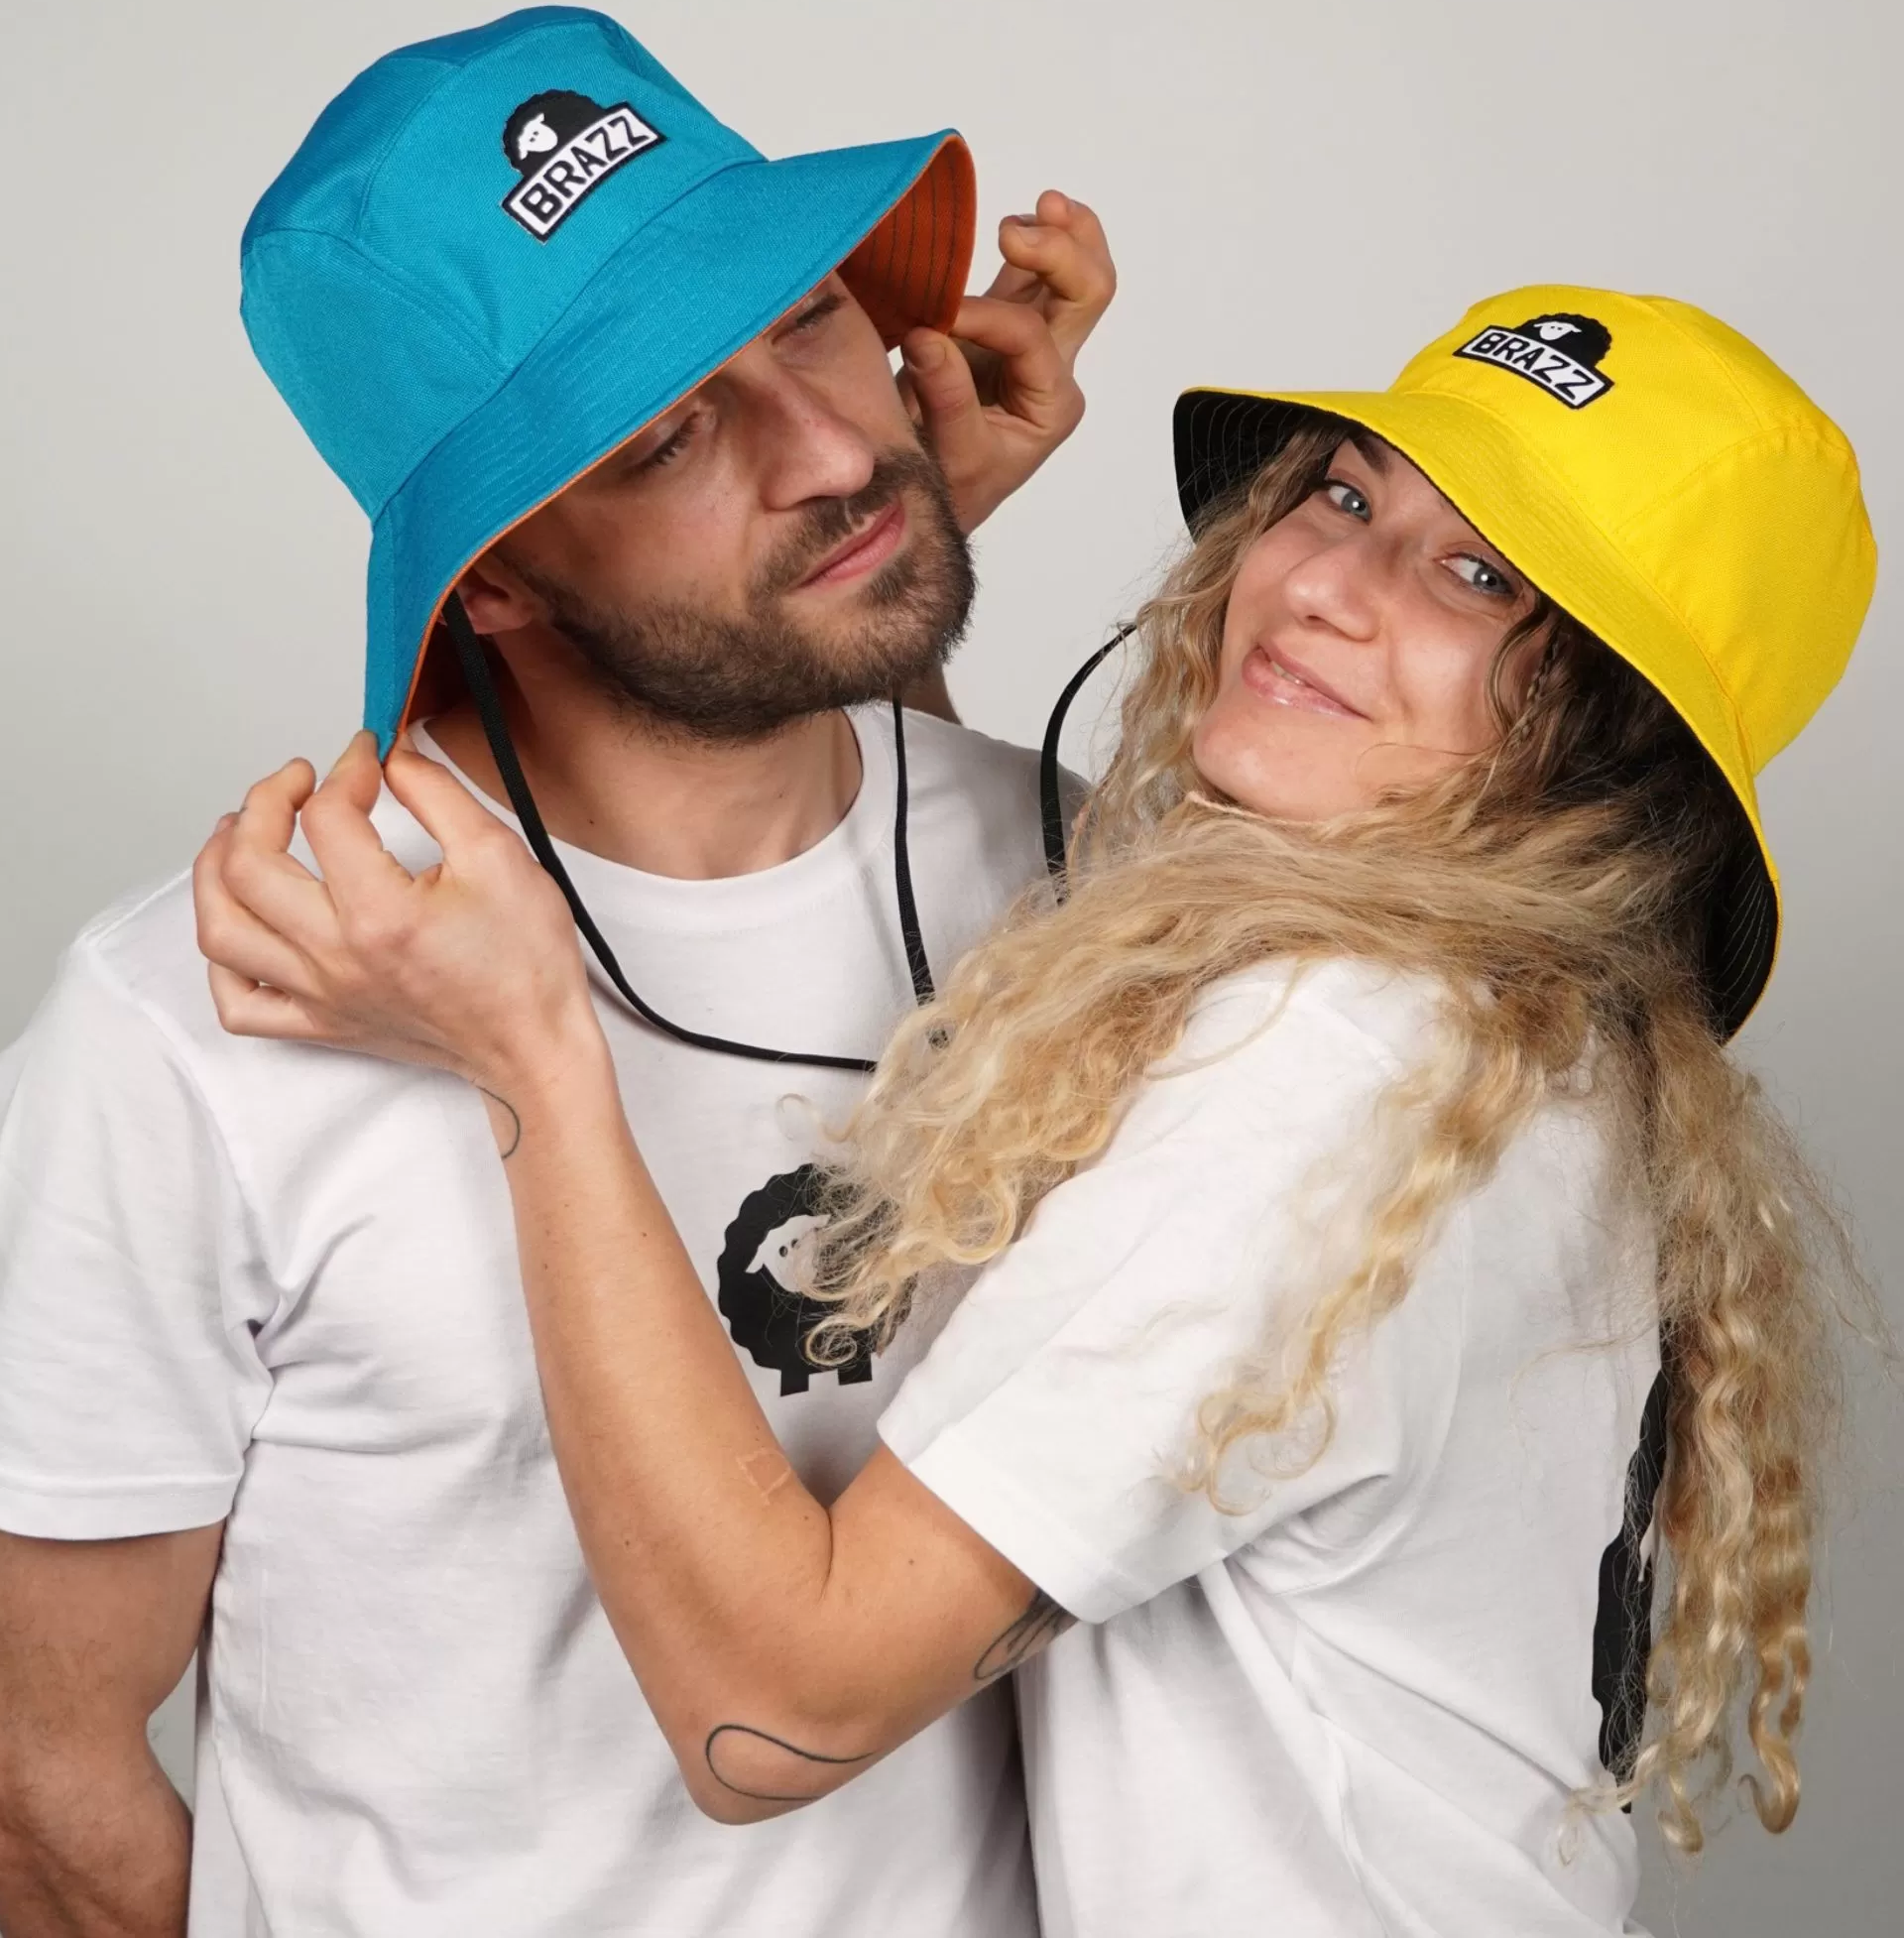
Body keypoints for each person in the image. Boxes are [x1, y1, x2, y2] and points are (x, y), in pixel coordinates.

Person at [191, 287, 1874, 1936]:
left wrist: (532, 1062)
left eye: (1481, 578)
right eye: (1347, 499)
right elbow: (1073, 1088)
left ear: (1613, 746)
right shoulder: (1516, 1034)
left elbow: (773, 1714)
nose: (1321, 589)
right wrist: (854, 574)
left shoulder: (1341, 1063)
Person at [0, 6, 1115, 1937]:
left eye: (813, 319)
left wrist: (857, 575)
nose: (835, 449)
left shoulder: (1075, 870)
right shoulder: (195, 1028)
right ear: (486, 573)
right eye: (664, 435)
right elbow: (31, 1779)